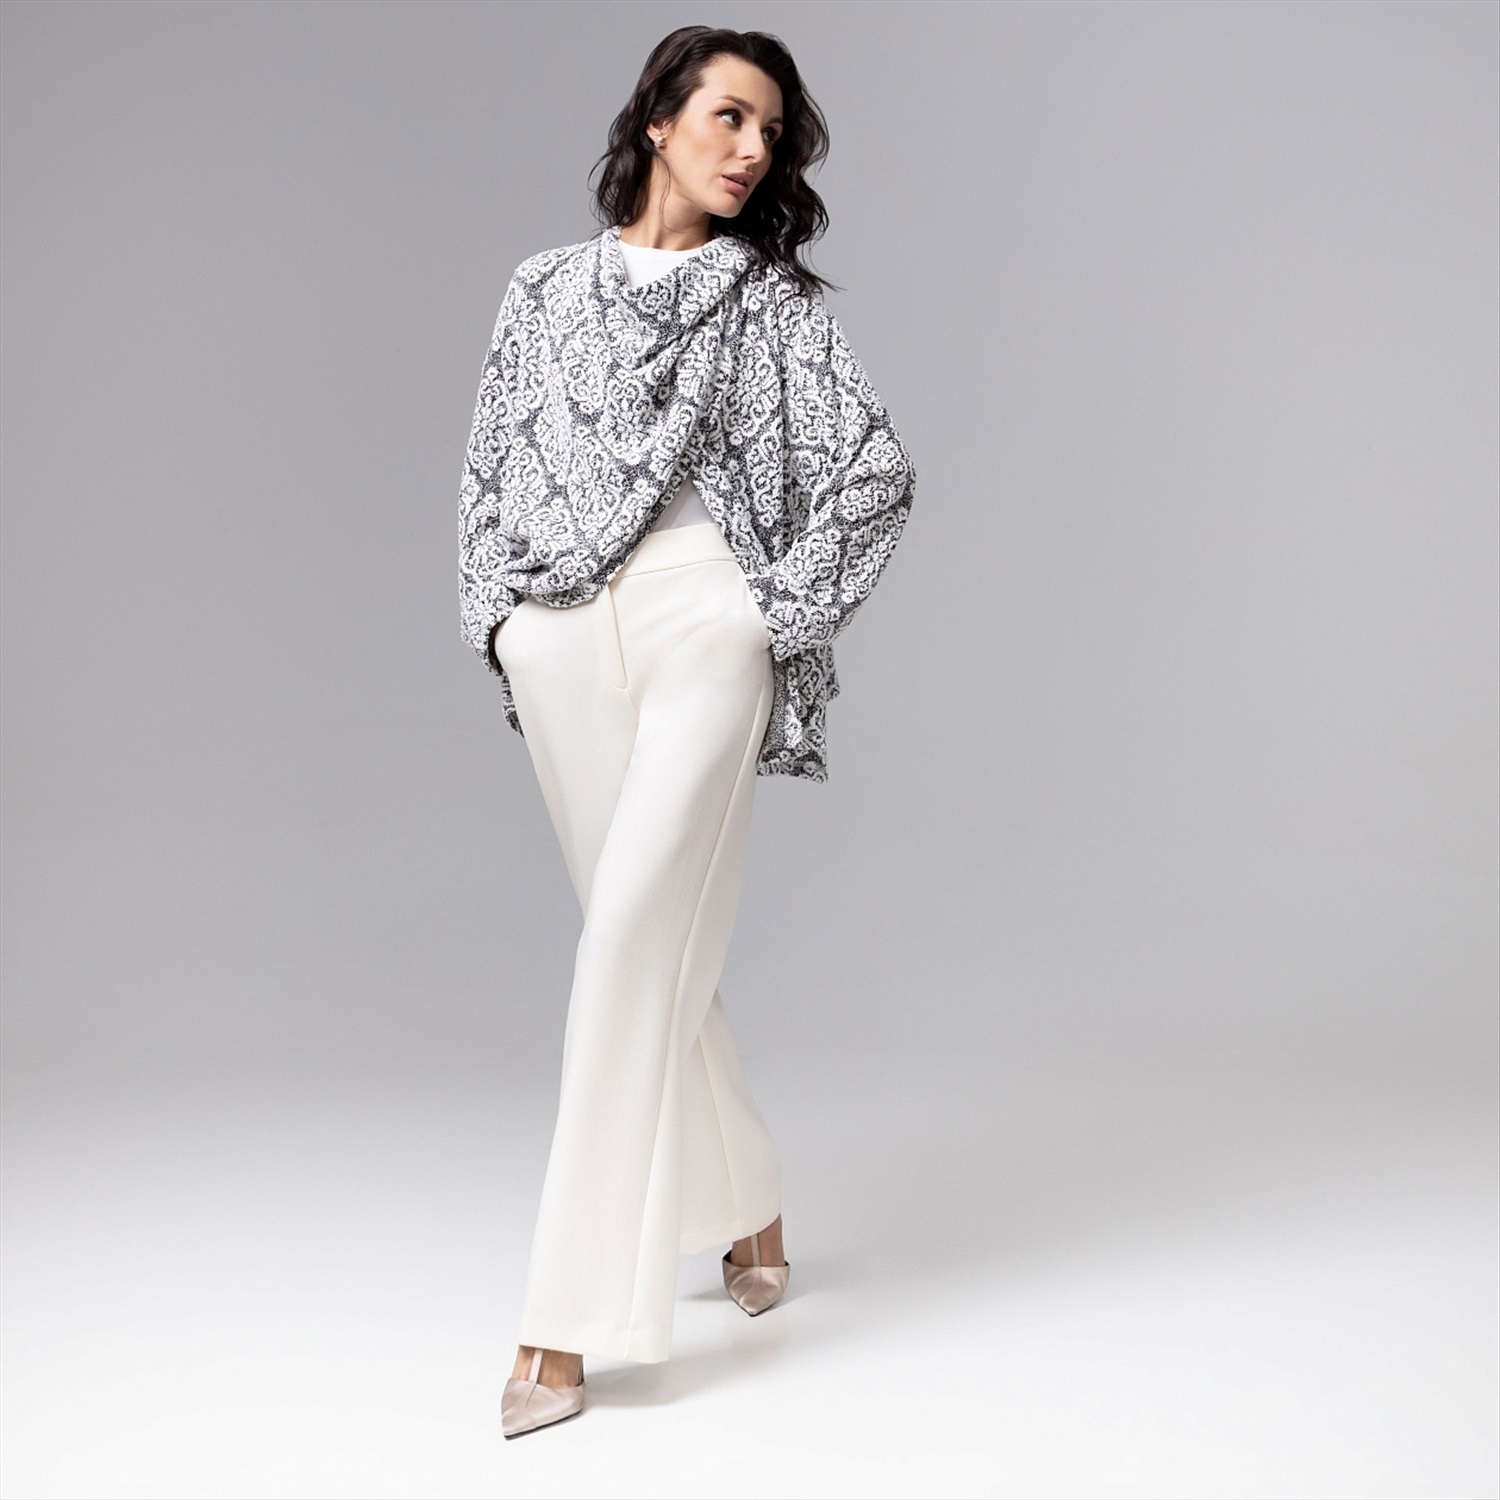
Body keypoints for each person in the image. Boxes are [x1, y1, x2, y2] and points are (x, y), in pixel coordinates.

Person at [458, 24, 916, 1438]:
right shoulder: (543, 289)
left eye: (771, 132)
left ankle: (562, 1325)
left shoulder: (771, 307)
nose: (753, 149)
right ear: (657, 119)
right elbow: (488, 469)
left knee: (623, 948)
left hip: (705, 619)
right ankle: (750, 1204)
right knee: (645, 939)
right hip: (557, 630)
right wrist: (500, 621)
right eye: (729, 117)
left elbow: (876, 474)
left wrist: (767, 614)